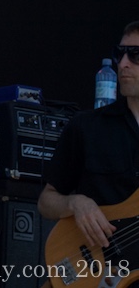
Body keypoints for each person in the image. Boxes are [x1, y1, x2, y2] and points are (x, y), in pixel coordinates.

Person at [38, 21, 139, 250]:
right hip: (95, 271)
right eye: (119, 54)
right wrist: (75, 203)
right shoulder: (87, 126)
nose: (123, 64)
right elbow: (46, 202)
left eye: (135, 56)